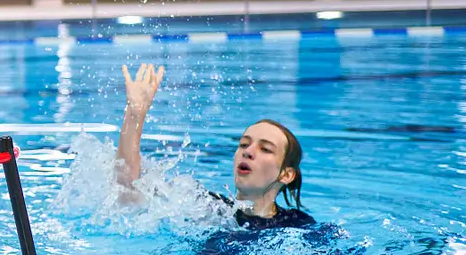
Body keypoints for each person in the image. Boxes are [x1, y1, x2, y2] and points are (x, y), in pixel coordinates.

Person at [116, 63, 316, 230]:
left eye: (265, 149)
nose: (248, 151)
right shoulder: (209, 208)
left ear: (286, 175)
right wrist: (135, 115)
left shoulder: (298, 224)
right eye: (244, 144)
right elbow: (129, 192)